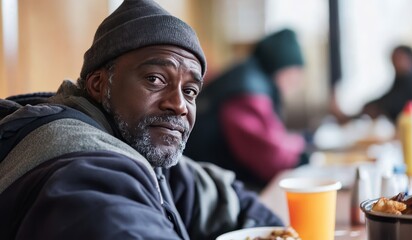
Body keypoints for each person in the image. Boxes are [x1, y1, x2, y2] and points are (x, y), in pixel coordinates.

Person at [0, 1, 284, 239]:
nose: (179, 105)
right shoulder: (82, 165)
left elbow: (226, 199)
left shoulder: (137, 143)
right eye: (155, 79)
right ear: (100, 85)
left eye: (190, 91)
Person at [184, 29, 309, 191]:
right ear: (281, 66)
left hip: (212, 181)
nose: (296, 82)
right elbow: (270, 159)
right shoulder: (248, 93)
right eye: (295, 73)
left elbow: (272, 137)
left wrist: (300, 143)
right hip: (207, 187)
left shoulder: (249, 78)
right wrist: (304, 155)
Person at [361, 45, 412, 122]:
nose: (395, 64)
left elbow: (403, 103)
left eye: (398, 59)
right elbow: (389, 96)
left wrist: (381, 108)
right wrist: (371, 106)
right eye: (392, 60)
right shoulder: (399, 82)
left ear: (410, 59)